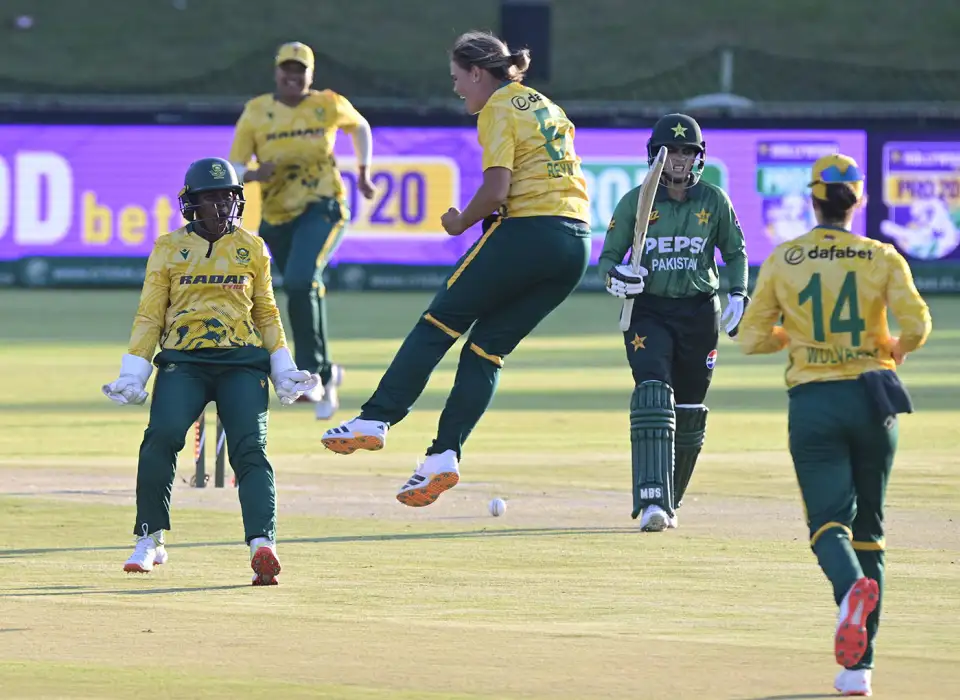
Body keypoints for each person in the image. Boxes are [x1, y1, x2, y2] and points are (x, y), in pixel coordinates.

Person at [320, 30, 591, 507]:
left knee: (437, 324)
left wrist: (460, 222)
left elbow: (498, 189)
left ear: (478, 72)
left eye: (458, 78)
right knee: (486, 351)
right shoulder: (545, 104)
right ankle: (443, 455)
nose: (456, 89)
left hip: (529, 232)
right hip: (574, 244)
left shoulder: (498, 108)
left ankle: (375, 418)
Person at [737, 154, 932, 697]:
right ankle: (857, 670)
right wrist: (893, 348)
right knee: (871, 531)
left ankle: (849, 592)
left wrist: (792, 337)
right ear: (858, 200)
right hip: (874, 400)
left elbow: (751, 338)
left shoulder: (785, 258)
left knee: (828, 524)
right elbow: (917, 324)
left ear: (813, 198)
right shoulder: (880, 255)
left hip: (815, 404)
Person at [102, 158, 318, 586]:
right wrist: (134, 370)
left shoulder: (252, 248)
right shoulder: (167, 248)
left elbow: (266, 311)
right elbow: (150, 314)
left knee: (250, 450)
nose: (221, 205)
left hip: (242, 362)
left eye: (228, 196)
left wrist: (283, 364)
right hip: (184, 362)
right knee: (161, 438)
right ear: (192, 204)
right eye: (211, 197)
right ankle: (150, 538)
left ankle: (263, 544)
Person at [597, 113, 749, 532]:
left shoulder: (714, 200)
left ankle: (670, 499)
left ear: (699, 157)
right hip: (648, 311)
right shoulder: (636, 200)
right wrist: (618, 280)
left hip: (700, 312)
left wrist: (738, 293)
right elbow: (608, 259)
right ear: (654, 156)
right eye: (671, 152)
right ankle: (650, 499)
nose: (679, 161)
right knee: (652, 393)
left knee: (688, 410)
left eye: (687, 152)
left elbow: (735, 253)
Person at [228, 41, 376, 420]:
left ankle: (315, 376)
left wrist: (363, 171)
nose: (293, 77)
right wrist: (253, 174)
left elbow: (359, 127)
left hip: (323, 205)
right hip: (278, 216)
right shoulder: (257, 111)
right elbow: (234, 165)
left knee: (299, 280)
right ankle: (327, 371)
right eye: (286, 70)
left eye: (301, 70)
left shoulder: (327, 104)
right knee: (302, 286)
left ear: (310, 75)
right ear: (276, 72)